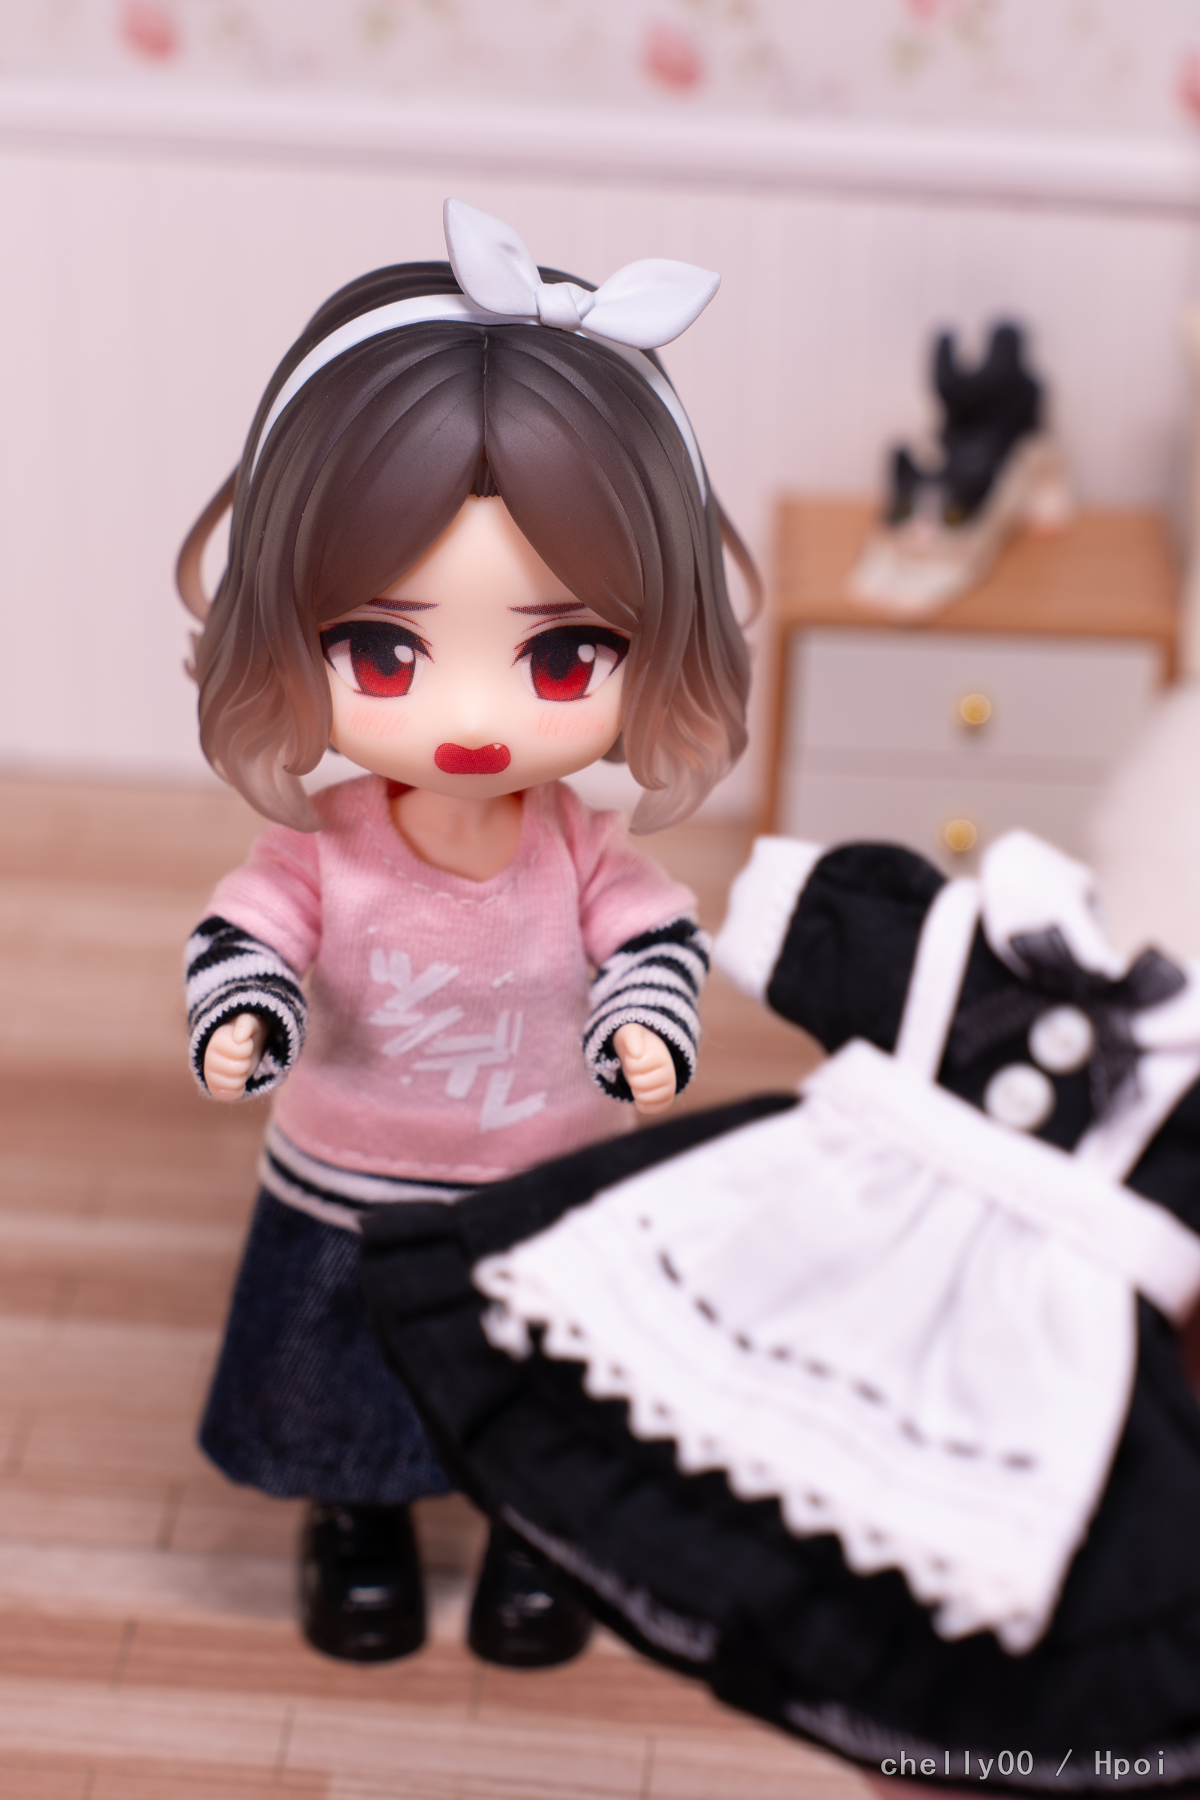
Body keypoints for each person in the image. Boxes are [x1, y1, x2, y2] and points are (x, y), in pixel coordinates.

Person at [177, 200, 753, 1666]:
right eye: (384, 650)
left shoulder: (577, 848)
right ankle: (356, 1518)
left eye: (565, 655)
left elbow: (650, 936)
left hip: (539, 1184)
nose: (477, 717)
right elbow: (254, 924)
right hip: (350, 1185)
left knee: (539, 1384)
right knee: (344, 1376)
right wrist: (248, 1014)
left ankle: (533, 1530)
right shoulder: (330, 846)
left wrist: (643, 1027)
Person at [362, 828, 1200, 1786]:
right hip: (809, 1264)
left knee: (956, 1565)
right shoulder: (947, 943)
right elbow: (776, 917)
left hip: (1006, 1357)